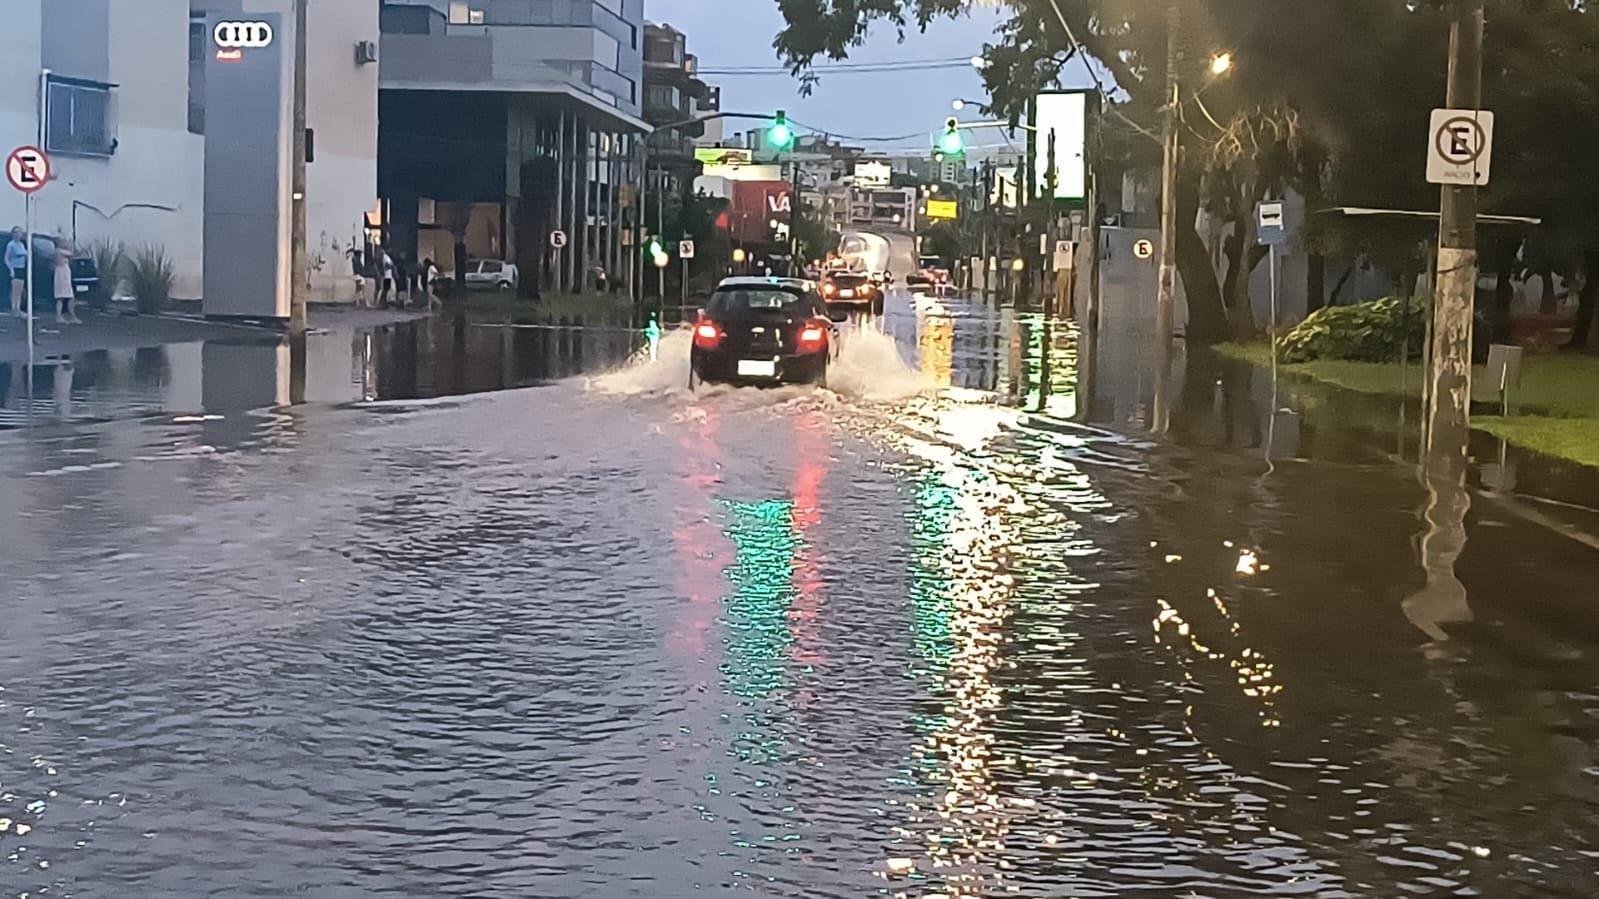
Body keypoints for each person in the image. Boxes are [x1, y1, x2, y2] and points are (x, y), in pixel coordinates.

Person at [53, 237, 79, 324]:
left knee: (69, 297)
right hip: (61, 276)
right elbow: (72, 253)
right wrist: (70, 246)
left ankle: (72, 316)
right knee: (61, 297)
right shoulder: (59, 251)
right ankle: (59, 316)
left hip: (65, 276)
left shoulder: (60, 251)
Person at [6, 227, 27, 317]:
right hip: (15, 268)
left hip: (22, 268)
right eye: (16, 232)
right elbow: (7, 258)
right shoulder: (11, 245)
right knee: (15, 290)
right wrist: (11, 269)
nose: (18, 234)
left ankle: (18, 308)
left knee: (20, 290)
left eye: (19, 232)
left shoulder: (22, 245)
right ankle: (13, 308)